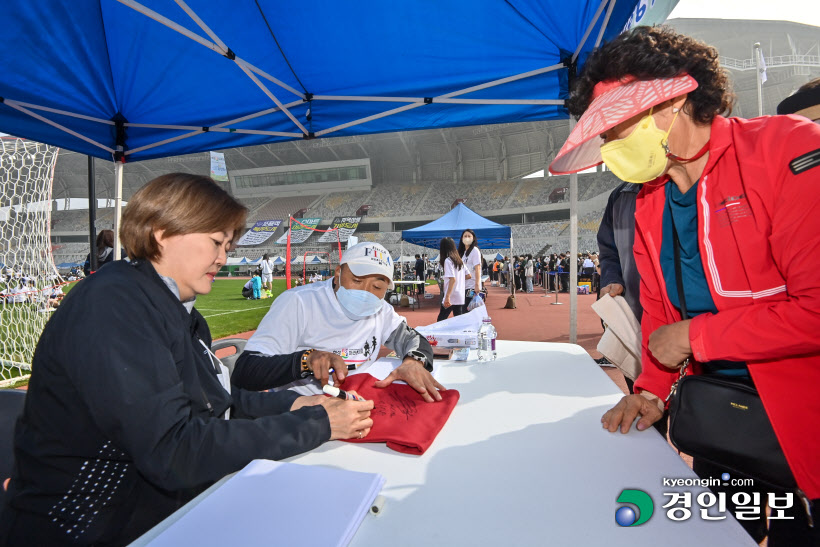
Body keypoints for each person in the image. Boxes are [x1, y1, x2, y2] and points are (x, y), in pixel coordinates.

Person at [550, 26, 820, 545]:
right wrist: (652, 389)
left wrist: (694, 338)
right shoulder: (650, 198)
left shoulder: (787, 153)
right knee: (719, 532)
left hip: (803, 421)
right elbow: (656, 307)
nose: (608, 147)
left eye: (614, 129)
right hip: (722, 417)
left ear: (672, 103)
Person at [0, 174, 373, 546]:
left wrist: (294, 402)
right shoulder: (113, 305)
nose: (223, 258)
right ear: (161, 232)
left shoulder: (175, 309)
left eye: (227, 245)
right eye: (215, 242)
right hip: (91, 528)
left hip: (153, 515)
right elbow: (173, 450)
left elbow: (214, 402)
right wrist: (314, 424)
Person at [231, 242, 443, 403]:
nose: (366, 293)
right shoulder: (298, 303)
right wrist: (305, 361)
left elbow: (412, 339)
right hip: (305, 414)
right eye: (357, 280)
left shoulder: (382, 311)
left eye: (377, 287)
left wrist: (413, 363)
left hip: (361, 405)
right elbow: (247, 371)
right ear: (339, 273)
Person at [437, 237, 465, 321]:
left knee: (441, 319)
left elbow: (453, 279)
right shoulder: (460, 261)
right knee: (458, 319)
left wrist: (447, 296)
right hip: (459, 293)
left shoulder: (448, 261)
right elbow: (468, 275)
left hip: (451, 294)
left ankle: (439, 334)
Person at [458, 229, 482, 310]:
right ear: (462, 239)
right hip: (463, 285)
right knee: (464, 309)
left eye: (469, 236)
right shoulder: (463, 253)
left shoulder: (475, 250)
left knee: (467, 309)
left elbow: (477, 268)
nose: (467, 238)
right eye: (465, 236)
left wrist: (477, 285)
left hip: (471, 286)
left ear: (473, 238)